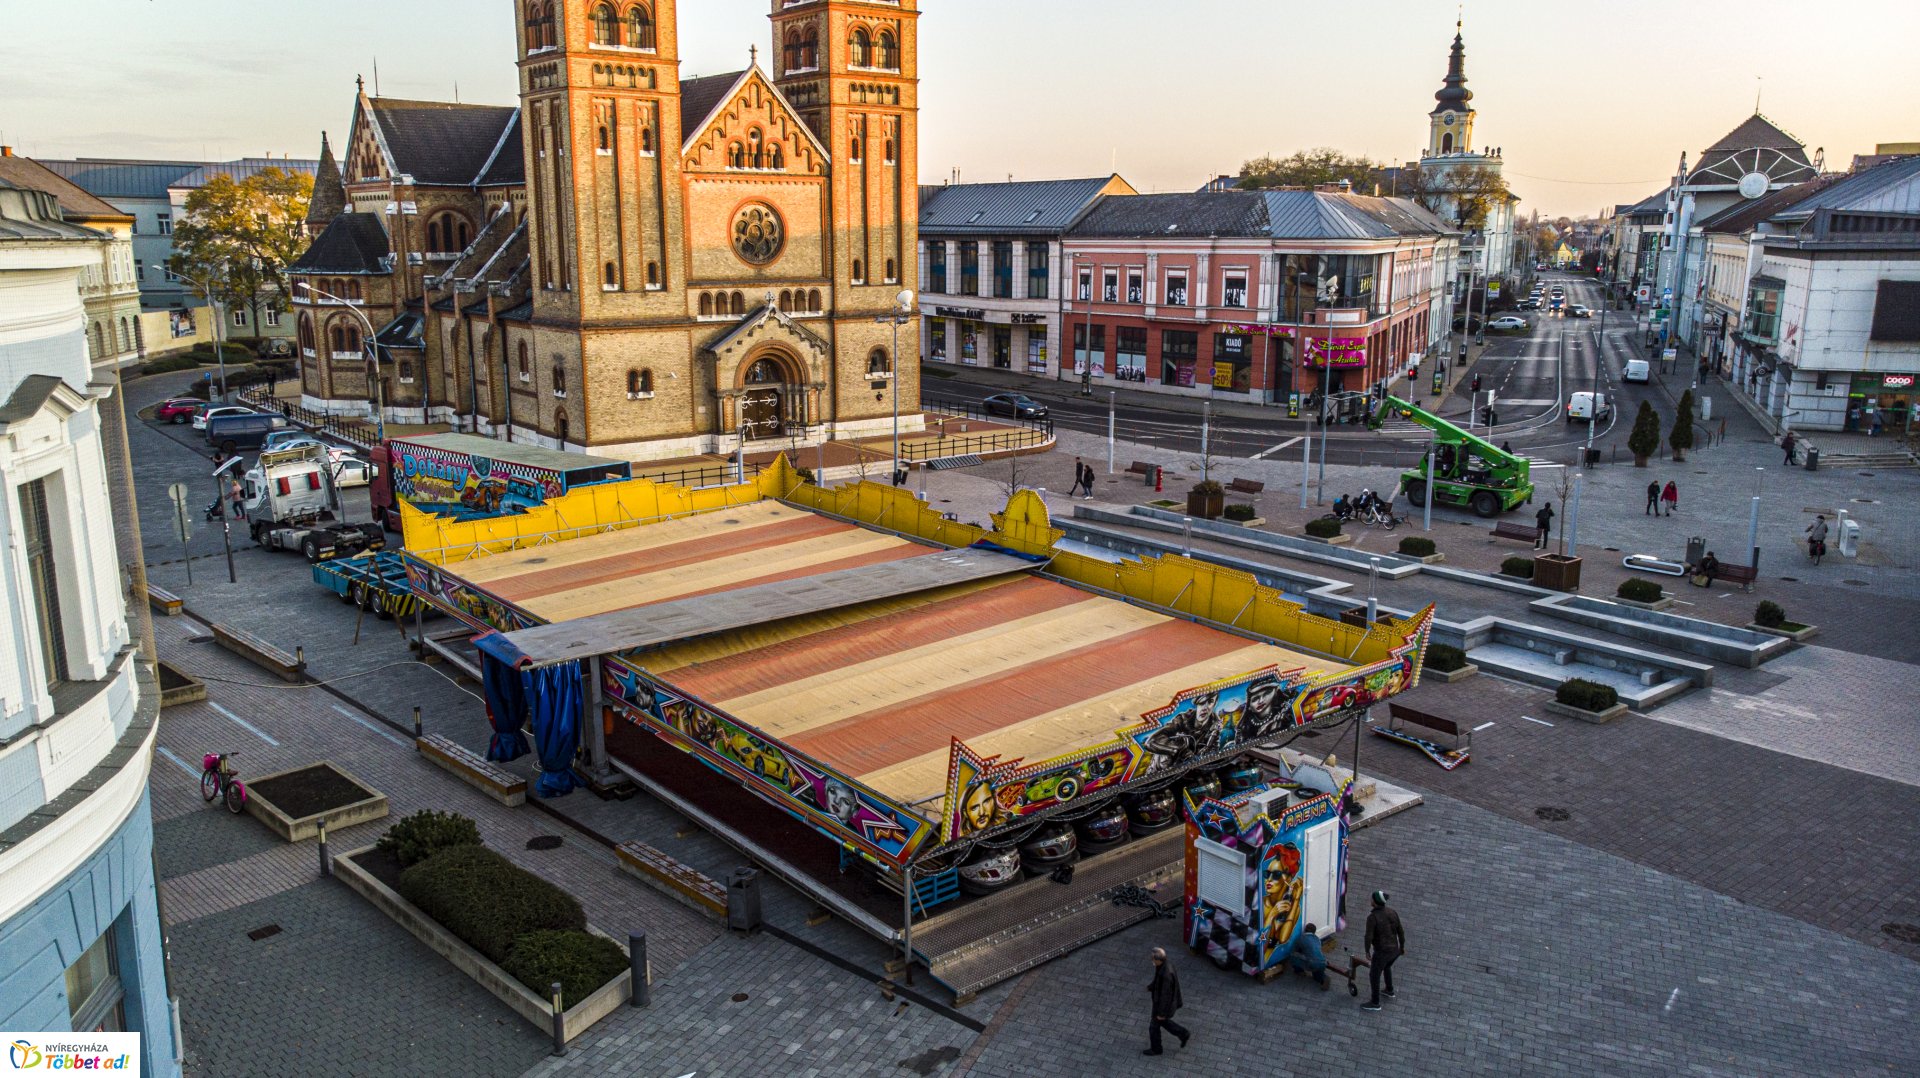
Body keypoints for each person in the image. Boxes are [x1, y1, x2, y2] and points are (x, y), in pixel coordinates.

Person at [1361, 891, 1405, 1012]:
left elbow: (1368, 936)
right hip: (1394, 950)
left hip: (1382, 952)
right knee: (1387, 966)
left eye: (1371, 899)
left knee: (1374, 975)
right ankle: (1389, 990)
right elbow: (1400, 931)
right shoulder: (1392, 912)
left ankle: (1375, 1003)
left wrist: (1367, 951)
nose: (1370, 900)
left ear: (1375, 902)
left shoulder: (1372, 917)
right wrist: (1402, 947)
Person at [1144, 947, 1190, 1055]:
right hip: (1161, 1004)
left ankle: (1156, 1049)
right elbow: (1157, 981)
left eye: (1153, 959)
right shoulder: (1163, 966)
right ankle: (1183, 1033)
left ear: (1158, 960)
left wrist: (1161, 1013)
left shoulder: (1166, 974)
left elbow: (1165, 996)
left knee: (1154, 1026)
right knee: (1164, 1022)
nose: (1152, 961)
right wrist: (1151, 987)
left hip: (1162, 1006)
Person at [1289, 924, 1329, 990]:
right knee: (1317, 975)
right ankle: (1323, 978)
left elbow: (1294, 951)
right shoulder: (1317, 939)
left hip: (1311, 962)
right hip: (1323, 961)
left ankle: (1299, 971)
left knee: (1293, 955)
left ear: (1305, 930)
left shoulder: (1301, 938)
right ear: (1314, 932)